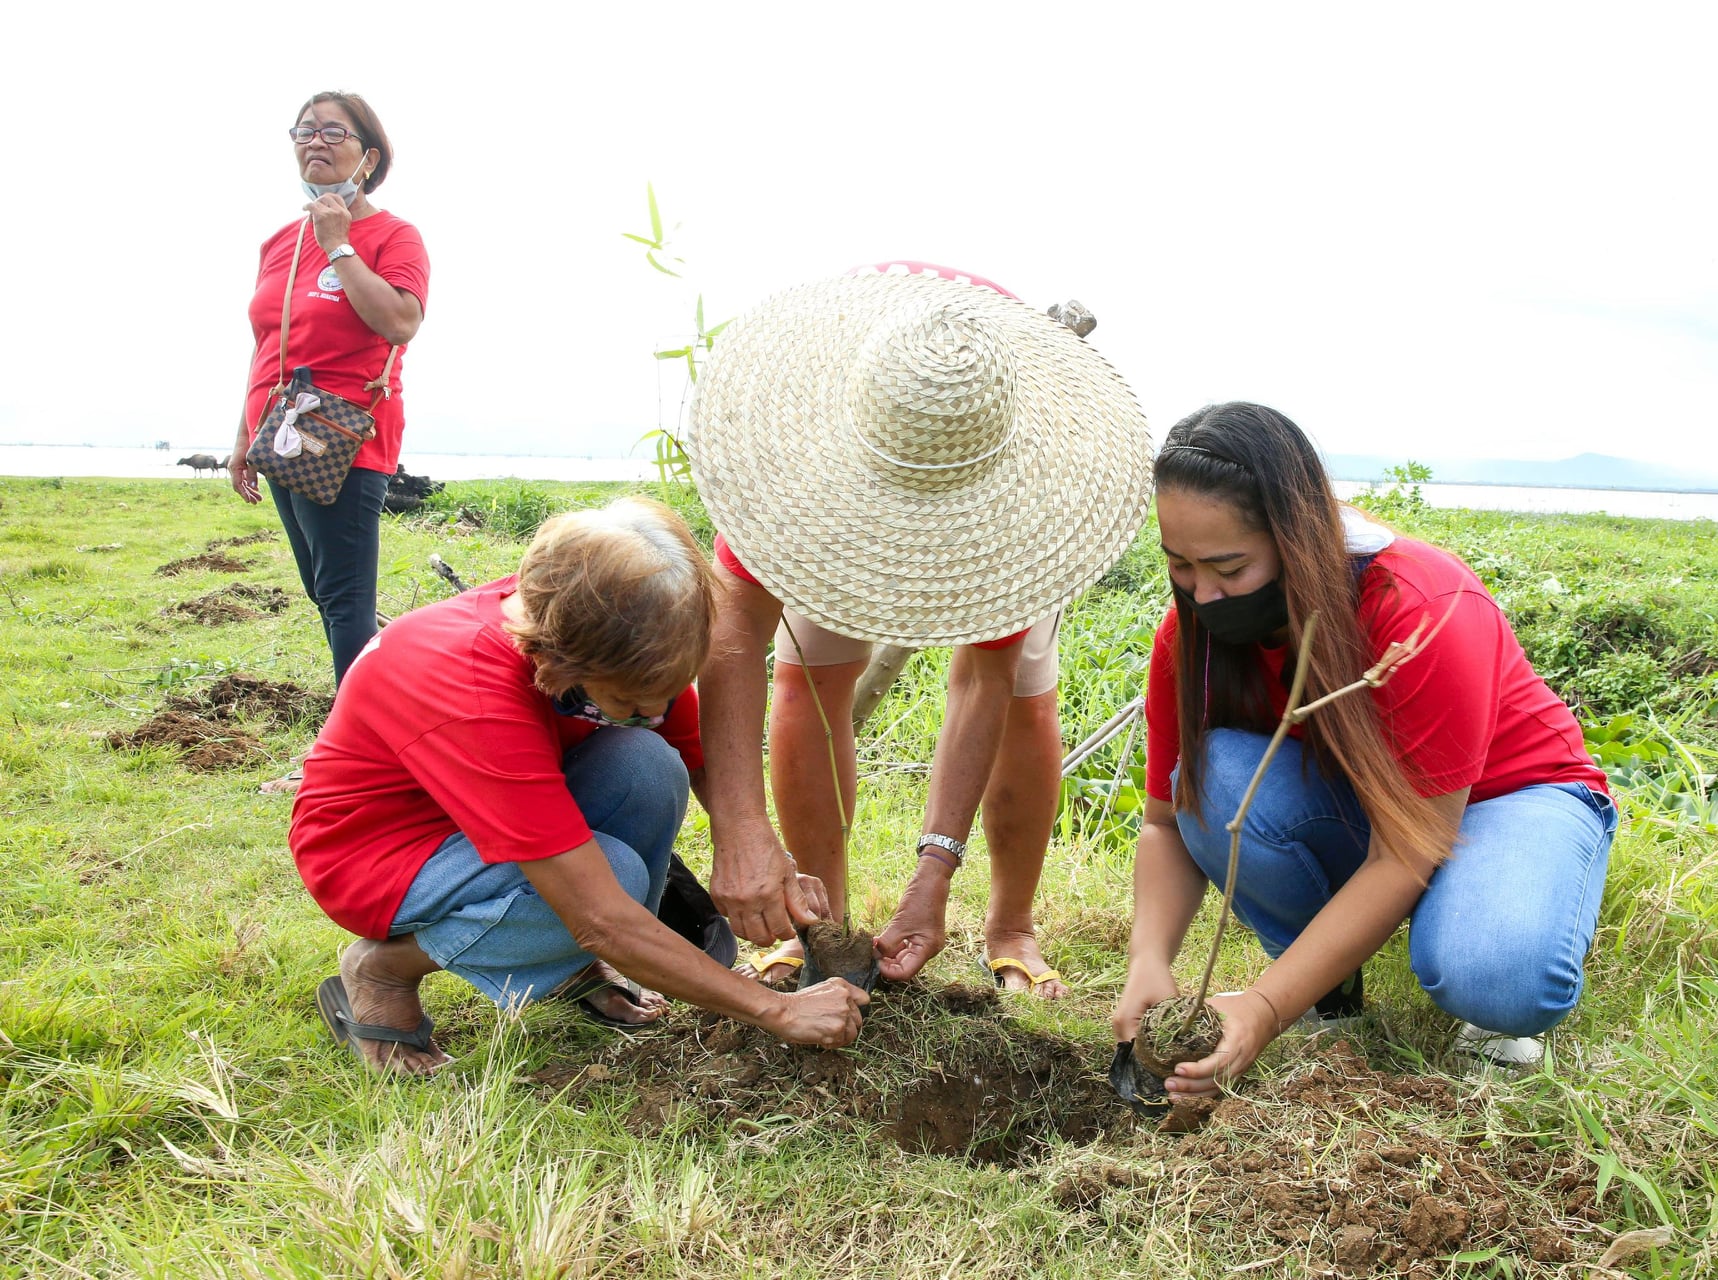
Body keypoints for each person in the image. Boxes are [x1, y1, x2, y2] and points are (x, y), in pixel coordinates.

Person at [1112, 402, 1616, 1093]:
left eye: (1228, 567)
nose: (1203, 593)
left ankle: (1495, 941)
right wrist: (1148, 959)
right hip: (1365, 804)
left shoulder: (1421, 607)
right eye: (1180, 566)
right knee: (1216, 774)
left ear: (1297, 538)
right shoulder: (1190, 637)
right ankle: (1323, 982)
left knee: (1496, 977)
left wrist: (1262, 1007)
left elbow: (1407, 848)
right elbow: (1167, 822)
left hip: (1509, 798)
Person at [686, 263, 1151, 996]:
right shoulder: (784, 463)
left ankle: (1011, 925)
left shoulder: (1025, 492)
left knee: (1027, 694)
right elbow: (734, 642)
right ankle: (823, 924)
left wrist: (934, 872)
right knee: (806, 675)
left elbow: (981, 680)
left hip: (994, 464)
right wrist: (739, 828)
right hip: (851, 447)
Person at [292, 498, 868, 1074]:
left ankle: (569, 966)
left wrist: (765, 856)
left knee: (647, 760)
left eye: (665, 694)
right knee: (611, 878)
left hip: (498, 817)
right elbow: (599, 915)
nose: (655, 710)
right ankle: (384, 970)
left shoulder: (607, 629)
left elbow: (698, 761)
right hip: (381, 854)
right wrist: (777, 1011)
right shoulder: (469, 687)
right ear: (554, 660)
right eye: (629, 701)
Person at [230, 93, 429, 791]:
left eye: (333, 132)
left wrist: (341, 243)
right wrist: (241, 437)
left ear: (368, 156)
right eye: (304, 131)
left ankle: (352, 765)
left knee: (345, 598)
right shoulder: (279, 242)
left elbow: (400, 323)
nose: (315, 142)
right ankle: (387, 721)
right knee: (327, 593)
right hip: (279, 435)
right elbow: (267, 344)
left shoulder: (392, 236)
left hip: (340, 434)